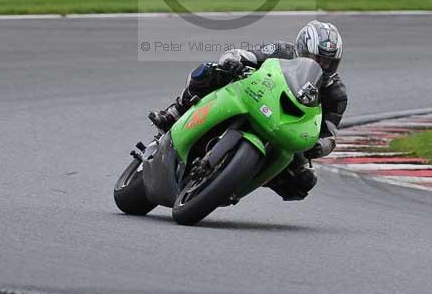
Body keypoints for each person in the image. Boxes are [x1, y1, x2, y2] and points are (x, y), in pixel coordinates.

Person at [149, 20, 348, 201]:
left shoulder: (336, 94)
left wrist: (320, 147)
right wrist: (232, 61)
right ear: (301, 48)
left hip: (288, 127)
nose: (322, 65)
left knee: (304, 181)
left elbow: (330, 135)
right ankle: (175, 112)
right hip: (256, 97)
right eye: (317, 58)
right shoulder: (282, 50)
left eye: (328, 62)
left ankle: (242, 178)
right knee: (208, 71)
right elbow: (244, 54)